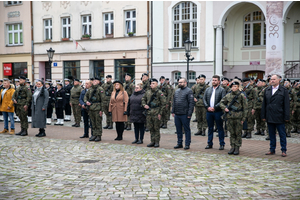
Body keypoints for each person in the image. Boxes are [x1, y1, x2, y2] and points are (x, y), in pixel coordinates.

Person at [261, 74, 290, 157]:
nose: (272, 81)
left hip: (279, 115)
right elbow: (264, 104)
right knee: (271, 134)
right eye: (271, 79)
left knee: (282, 134)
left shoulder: (283, 90)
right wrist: (263, 115)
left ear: (278, 80)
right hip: (270, 115)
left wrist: (286, 116)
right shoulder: (267, 90)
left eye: (274, 79)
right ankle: (272, 149)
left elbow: (286, 105)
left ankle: (283, 150)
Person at [220, 81, 248, 155]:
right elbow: (221, 102)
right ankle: (232, 146)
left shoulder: (241, 95)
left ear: (238, 87)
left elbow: (245, 108)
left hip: (238, 117)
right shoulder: (228, 95)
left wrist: (243, 119)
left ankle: (237, 147)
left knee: (238, 133)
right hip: (230, 117)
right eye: (232, 86)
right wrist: (224, 108)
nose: (234, 88)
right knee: (232, 133)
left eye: (235, 86)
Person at [203, 75, 226, 150]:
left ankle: (221, 144)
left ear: (219, 81)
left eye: (215, 80)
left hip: (218, 112)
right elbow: (204, 99)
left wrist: (215, 107)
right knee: (210, 128)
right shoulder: (208, 89)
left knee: (220, 128)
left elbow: (223, 100)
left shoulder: (222, 90)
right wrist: (207, 107)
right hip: (209, 112)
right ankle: (209, 143)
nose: (214, 81)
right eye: (213, 80)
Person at [142, 78, 166, 148]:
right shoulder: (148, 92)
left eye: (153, 83)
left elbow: (163, 103)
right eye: (151, 83)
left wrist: (160, 113)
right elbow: (143, 99)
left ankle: (157, 142)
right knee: (151, 128)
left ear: (157, 84)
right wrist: (144, 105)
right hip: (149, 112)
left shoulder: (159, 93)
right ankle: (152, 141)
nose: (151, 85)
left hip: (156, 112)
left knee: (156, 128)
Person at [172, 78, 195, 150]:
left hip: (185, 114)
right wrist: (173, 111)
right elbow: (174, 101)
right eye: (179, 82)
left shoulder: (189, 91)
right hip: (177, 113)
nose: (179, 83)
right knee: (178, 129)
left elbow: (191, 103)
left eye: (181, 82)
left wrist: (189, 113)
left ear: (185, 83)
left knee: (186, 129)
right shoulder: (177, 91)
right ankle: (179, 143)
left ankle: (187, 144)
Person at [84, 77, 105, 142]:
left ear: (98, 82)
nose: (94, 82)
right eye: (93, 81)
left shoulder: (100, 89)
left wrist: (101, 110)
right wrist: (86, 102)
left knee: (98, 122)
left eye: (96, 81)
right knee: (92, 122)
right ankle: (94, 135)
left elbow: (103, 100)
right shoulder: (90, 89)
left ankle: (98, 135)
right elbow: (85, 96)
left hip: (97, 108)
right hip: (91, 108)